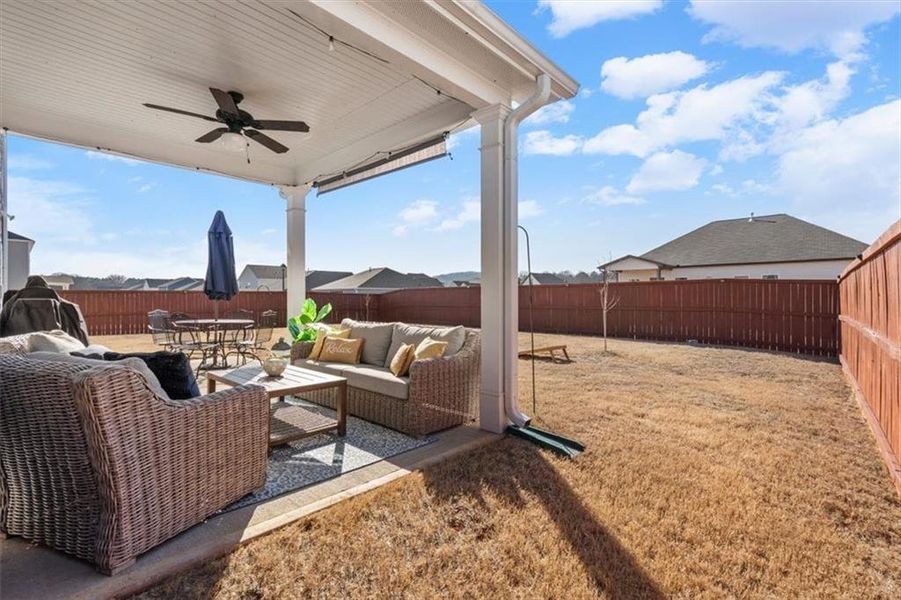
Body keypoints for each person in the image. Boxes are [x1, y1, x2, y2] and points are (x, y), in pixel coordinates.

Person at [0, 276, 90, 344]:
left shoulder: (10, 304)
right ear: (47, 287)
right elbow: (82, 337)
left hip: (15, 352)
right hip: (60, 352)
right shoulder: (68, 306)